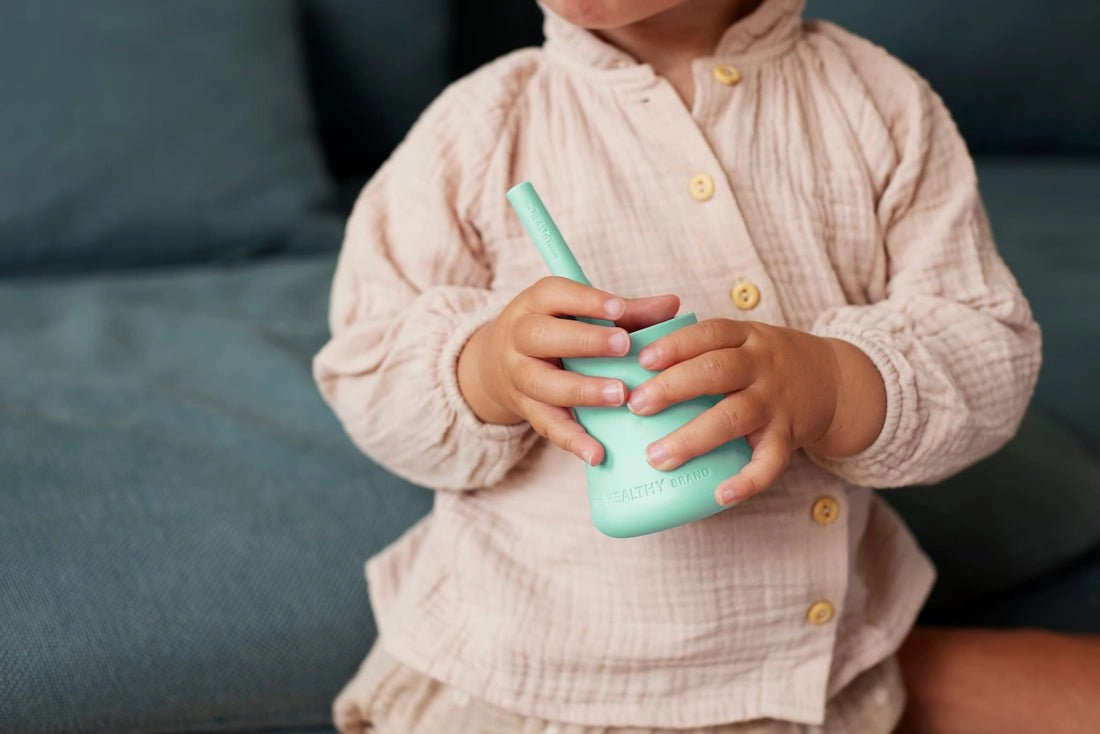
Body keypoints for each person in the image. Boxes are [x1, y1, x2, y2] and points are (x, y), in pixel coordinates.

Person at [313, 0, 1042, 731]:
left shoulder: (879, 102)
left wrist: (832, 385)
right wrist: (488, 373)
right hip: (518, 681)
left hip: (802, 681)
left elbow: (987, 351)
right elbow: (367, 369)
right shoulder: (479, 128)